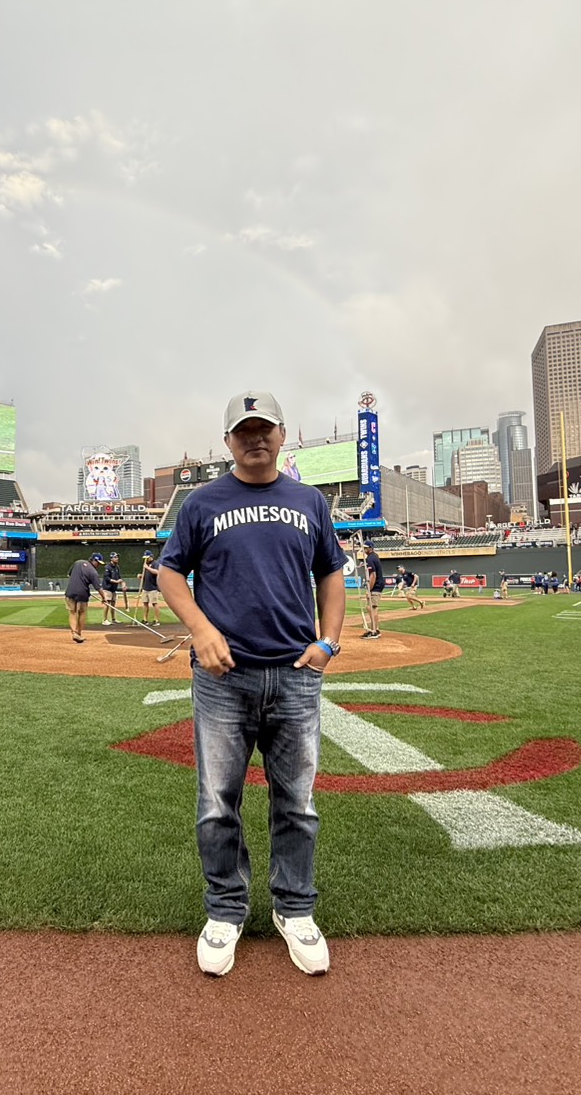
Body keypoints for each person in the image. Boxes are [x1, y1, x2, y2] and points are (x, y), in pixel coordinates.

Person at [157, 389, 346, 978]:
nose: (255, 438)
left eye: (265, 428)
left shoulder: (310, 501)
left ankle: (294, 908)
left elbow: (332, 573)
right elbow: (169, 571)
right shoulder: (201, 502)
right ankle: (225, 909)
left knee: (298, 803)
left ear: (283, 434)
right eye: (244, 431)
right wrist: (200, 630)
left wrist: (328, 644)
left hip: (295, 674)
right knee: (218, 803)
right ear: (228, 442)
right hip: (223, 678)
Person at [63, 553, 105, 643]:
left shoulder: (78, 562)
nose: (98, 566)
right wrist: (104, 598)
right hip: (83, 593)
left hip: (70, 590)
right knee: (82, 612)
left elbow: (69, 575)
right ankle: (78, 633)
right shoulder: (93, 572)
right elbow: (99, 588)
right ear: (94, 560)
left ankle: (74, 633)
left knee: (72, 612)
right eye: (98, 563)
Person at [361, 541, 384, 639]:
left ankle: (375, 630)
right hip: (378, 584)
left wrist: (369, 590)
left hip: (376, 585)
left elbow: (373, 575)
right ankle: (375, 629)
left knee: (371, 607)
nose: (365, 550)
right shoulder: (374, 556)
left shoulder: (370, 558)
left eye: (366, 548)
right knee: (371, 607)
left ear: (371, 548)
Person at [139, 549, 163, 624]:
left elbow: (157, 572)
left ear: (151, 557)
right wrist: (141, 576)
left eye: (147, 557)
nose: (146, 559)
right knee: (145, 603)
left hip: (153, 588)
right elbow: (146, 575)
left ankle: (156, 620)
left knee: (154, 603)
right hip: (146, 587)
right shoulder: (145, 564)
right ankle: (145, 619)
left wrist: (147, 568)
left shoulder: (155, 564)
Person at [101, 552, 125, 625]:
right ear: (111, 558)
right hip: (107, 588)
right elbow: (107, 578)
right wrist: (116, 581)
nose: (117, 558)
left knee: (113, 604)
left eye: (117, 557)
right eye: (115, 557)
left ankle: (113, 619)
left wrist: (123, 583)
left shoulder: (117, 567)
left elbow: (119, 577)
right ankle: (105, 620)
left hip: (114, 589)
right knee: (107, 603)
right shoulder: (107, 567)